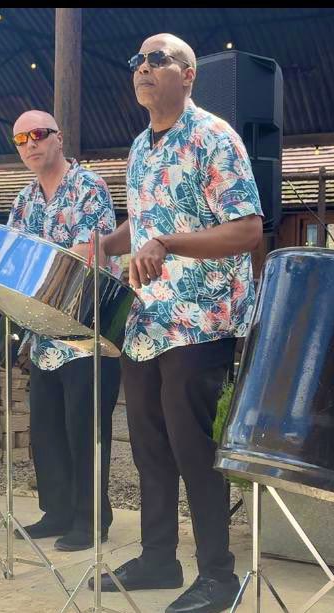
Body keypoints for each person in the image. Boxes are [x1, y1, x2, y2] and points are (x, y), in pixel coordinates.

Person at [80, 32, 263, 613]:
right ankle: (158, 558)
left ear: (187, 74)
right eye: (137, 60)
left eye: (157, 59)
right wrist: (106, 244)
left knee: (192, 446)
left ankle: (218, 576)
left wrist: (167, 241)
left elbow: (248, 229)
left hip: (202, 317)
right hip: (147, 319)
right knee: (149, 446)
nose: (143, 67)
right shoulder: (139, 149)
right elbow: (144, 221)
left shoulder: (214, 137)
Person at [7, 110, 122, 552]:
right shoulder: (23, 200)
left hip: (85, 331)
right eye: (21, 139)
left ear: (59, 138)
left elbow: (88, 255)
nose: (30, 144)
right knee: (47, 429)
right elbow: (17, 260)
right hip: (43, 335)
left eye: (38, 134)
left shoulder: (87, 186)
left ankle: (92, 521)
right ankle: (56, 513)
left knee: (85, 429)